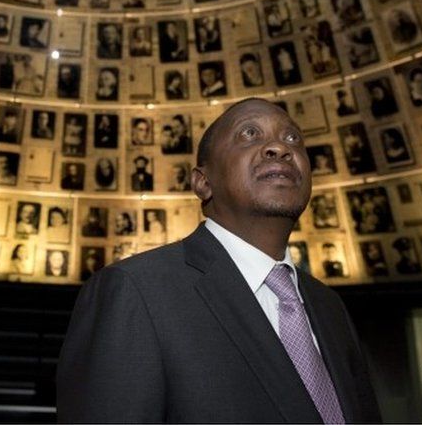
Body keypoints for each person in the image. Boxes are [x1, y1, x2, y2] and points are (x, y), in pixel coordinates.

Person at [57, 98, 381, 422]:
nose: (279, 148)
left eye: (293, 138)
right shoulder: (135, 292)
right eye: (249, 134)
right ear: (203, 182)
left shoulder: (330, 305)